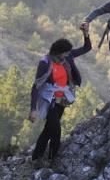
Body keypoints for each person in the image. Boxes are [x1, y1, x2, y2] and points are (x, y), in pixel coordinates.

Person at [28, 23, 91, 163]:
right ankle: (52, 159)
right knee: (56, 131)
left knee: (48, 130)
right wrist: (33, 109)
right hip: (49, 100)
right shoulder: (45, 63)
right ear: (58, 52)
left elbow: (87, 48)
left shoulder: (66, 58)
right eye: (66, 53)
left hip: (61, 100)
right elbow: (36, 86)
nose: (69, 55)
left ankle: (36, 157)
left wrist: (86, 34)